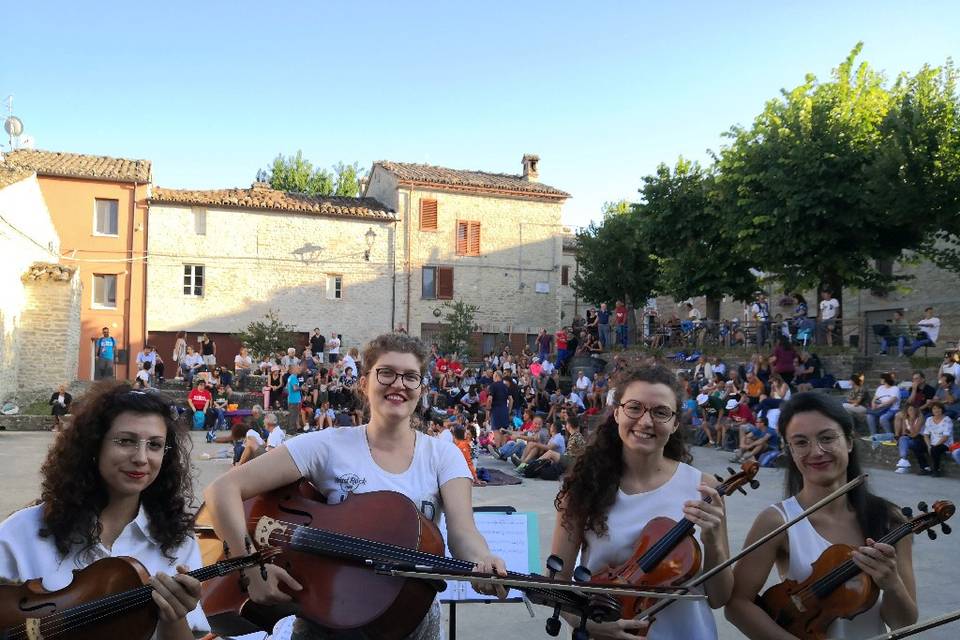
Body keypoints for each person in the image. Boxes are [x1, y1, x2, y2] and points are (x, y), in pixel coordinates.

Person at [203, 332, 507, 639]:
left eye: (410, 376)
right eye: (386, 373)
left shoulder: (443, 454)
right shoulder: (328, 445)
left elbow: (462, 532)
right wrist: (250, 565)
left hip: (410, 618)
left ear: (421, 389)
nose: (398, 384)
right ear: (364, 382)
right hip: (328, 616)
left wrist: (482, 560)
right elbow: (222, 490)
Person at [0, 382, 210, 638]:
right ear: (94, 445)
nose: (142, 458)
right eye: (125, 441)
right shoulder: (21, 533)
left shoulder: (178, 541)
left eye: (155, 445)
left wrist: (175, 618)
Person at [550, 365, 732, 639]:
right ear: (617, 413)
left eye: (660, 412)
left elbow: (719, 598)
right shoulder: (582, 488)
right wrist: (593, 625)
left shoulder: (704, 488)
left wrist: (715, 543)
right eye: (634, 408)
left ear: (675, 423)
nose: (646, 422)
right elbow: (557, 585)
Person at [725, 392, 918, 639]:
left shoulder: (890, 519)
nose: (816, 451)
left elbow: (903, 622)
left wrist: (892, 586)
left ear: (849, 441)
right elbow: (737, 604)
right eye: (801, 442)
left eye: (827, 438)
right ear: (790, 450)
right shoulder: (776, 521)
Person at [894, 403, 928, 475]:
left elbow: (914, 433)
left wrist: (911, 422)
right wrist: (907, 434)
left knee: (903, 440)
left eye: (912, 410)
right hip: (911, 439)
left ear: (916, 410)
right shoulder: (906, 419)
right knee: (902, 438)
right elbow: (904, 433)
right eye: (909, 410)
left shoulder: (920, 418)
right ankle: (903, 460)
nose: (911, 412)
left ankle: (903, 465)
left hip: (921, 440)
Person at [922, 401, 954, 477]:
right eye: (934, 408)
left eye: (939, 408)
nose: (936, 410)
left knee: (935, 449)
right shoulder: (929, 419)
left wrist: (934, 446)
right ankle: (924, 468)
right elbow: (926, 434)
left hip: (945, 444)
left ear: (942, 410)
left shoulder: (947, 420)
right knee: (917, 445)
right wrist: (929, 445)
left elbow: (945, 437)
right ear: (932, 410)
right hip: (932, 443)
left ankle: (936, 470)